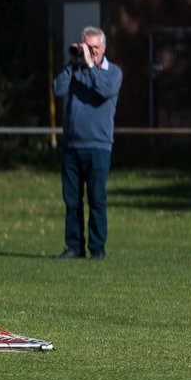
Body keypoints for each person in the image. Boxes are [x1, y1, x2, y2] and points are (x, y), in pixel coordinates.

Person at [52, 25, 122, 260]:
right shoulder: (76, 70)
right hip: (72, 145)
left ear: (102, 48)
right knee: (72, 201)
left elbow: (103, 90)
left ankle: (97, 248)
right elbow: (57, 89)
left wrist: (90, 66)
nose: (90, 52)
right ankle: (74, 246)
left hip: (98, 146)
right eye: (86, 47)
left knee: (96, 199)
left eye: (94, 48)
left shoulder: (113, 72)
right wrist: (73, 63)